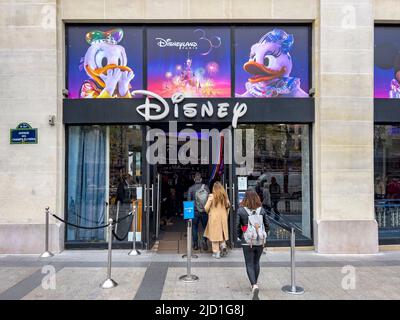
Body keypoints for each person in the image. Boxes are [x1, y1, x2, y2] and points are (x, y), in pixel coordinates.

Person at [236, 190, 270, 300]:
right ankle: (255, 284)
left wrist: (240, 235)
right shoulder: (262, 210)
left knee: (249, 263)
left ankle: (254, 285)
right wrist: (263, 234)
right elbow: (267, 225)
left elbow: (237, 226)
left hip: (248, 241)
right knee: (256, 262)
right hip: (260, 240)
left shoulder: (241, 210)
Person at [204, 182, 230, 259]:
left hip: (214, 218)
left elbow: (206, 207)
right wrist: (225, 214)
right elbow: (228, 206)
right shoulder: (225, 196)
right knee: (221, 233)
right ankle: (223, 245)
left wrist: (209, 212)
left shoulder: (212, 196)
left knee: (214, 235)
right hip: (223, 218)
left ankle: (216, 252)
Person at [187, 172, 210, 251]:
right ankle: (204, 241)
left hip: (195, 212)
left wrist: (188, 216)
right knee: (205, 228)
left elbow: (189, 202)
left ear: (194, 179)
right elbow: (209, 200)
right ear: (201, 179)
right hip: (204, 211)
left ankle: (195, 245)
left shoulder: (191, 188)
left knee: (194, 228)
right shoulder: (206, 187)